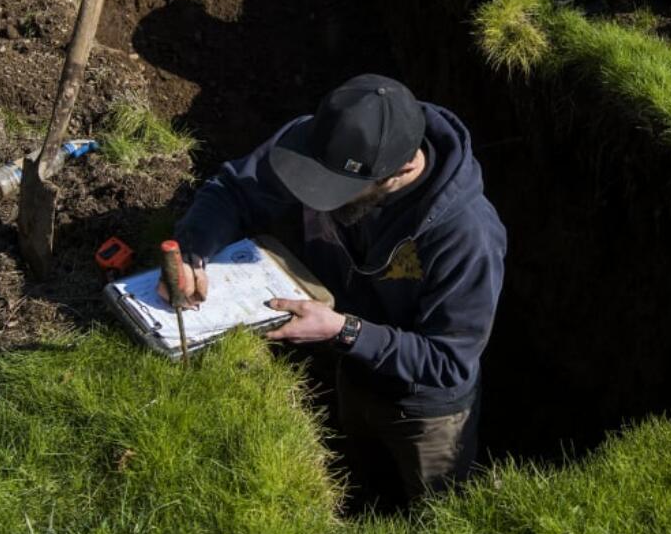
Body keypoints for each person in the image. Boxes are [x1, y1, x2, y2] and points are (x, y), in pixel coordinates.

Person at [172, 73, 506, 503]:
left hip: (425, 412)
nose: (320, 197)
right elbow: (237, 190)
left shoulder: (467, 236)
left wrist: (344, 331)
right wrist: (192, 249)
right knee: (363, 483)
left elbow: (448, 361)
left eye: (340, 191)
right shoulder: (321, 146)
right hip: (351, 368)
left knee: (436, 511)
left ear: (402, 169)